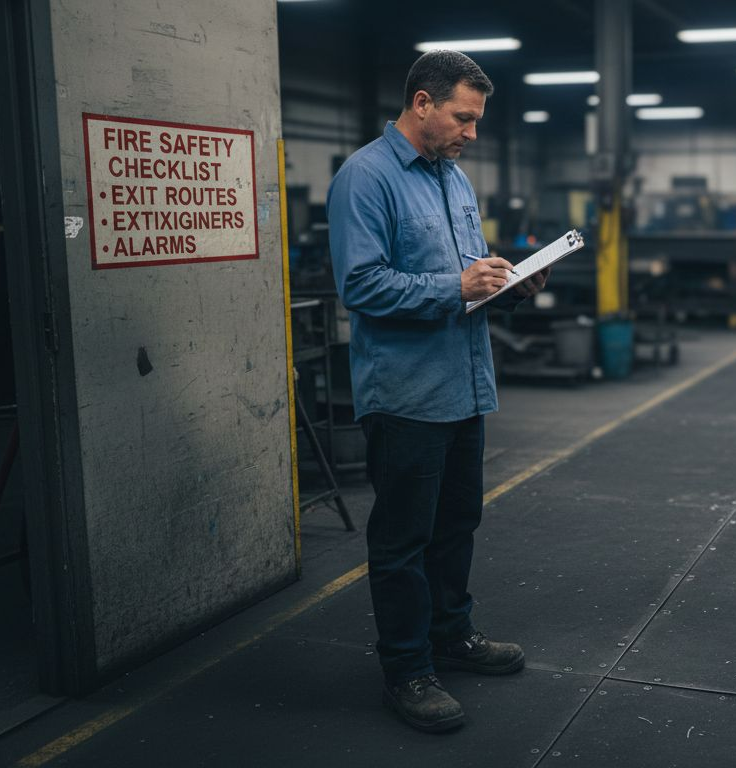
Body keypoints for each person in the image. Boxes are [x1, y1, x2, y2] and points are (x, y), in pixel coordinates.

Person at [327, 50, 549, 734]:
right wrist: (454, 286)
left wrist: (505, 287)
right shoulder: (365, 178)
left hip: (462, 386)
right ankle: (407, 669)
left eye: (476, 121)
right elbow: (360, 285)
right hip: (406, 396)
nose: (471, 133)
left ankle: (452, 636)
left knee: (456, 526)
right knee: (402, 540)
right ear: (422, 103)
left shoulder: (453, 179)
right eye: (463, 117)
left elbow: (467, 279)